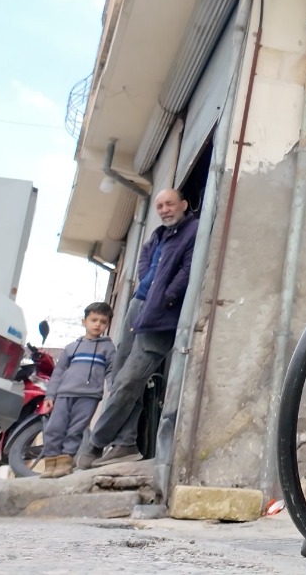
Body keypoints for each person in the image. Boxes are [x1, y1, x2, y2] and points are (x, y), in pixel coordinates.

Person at [77, 188, 198, 469]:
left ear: (184, 203)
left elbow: (188, 271)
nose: (165, 209)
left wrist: (167, 295)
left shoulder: (192, 231)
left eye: (170, 204)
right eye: (160, 206)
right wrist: (148, 283)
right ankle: (126, 443)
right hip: (139, 305)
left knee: (130, 380)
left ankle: (95, 443)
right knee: (119, 378)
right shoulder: (158, 236)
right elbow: (145, 259)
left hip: (162, 315)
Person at [39, 302, 114, 478]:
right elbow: (58, 372)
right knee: (54, 428)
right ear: (84, 321)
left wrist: (113, 389)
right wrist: (50, 395)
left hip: (89, 396)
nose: (98, 324)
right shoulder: (71, 348)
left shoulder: (108, 348)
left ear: (107, 325)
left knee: (75, 429)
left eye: (103, 322)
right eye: (94, 320)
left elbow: (112, 370)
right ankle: (50, 464)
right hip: (64, 394)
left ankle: (65, 463)